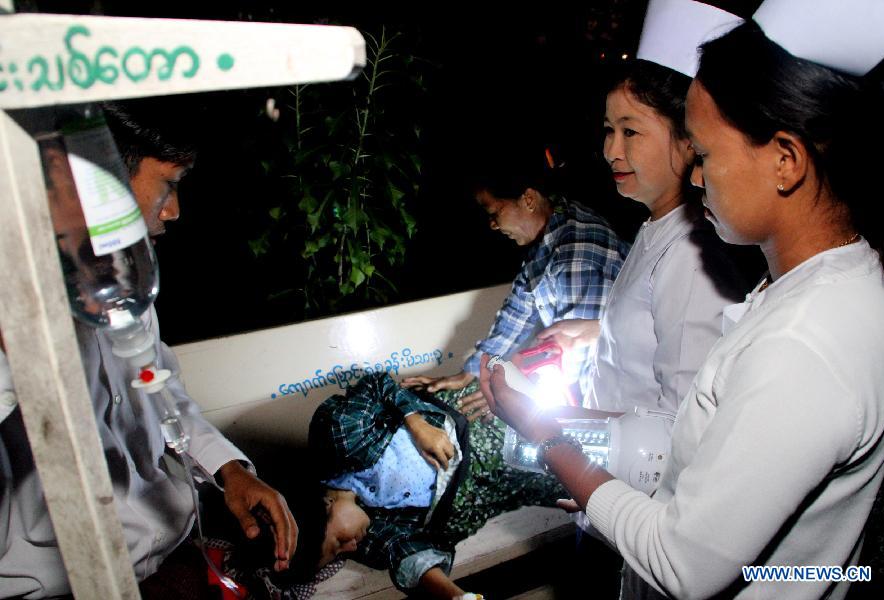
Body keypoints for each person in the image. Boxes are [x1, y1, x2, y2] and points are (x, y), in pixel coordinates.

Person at [479, 4, 884, 599]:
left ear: (785, 159)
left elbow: (686, 565)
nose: (696, 179)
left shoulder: (805, 341)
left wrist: (548, 437)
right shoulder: (831, 288)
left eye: (703, 155)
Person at [0, 98, 298, 599]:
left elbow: (160, 385)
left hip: (167, 556)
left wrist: (228, 472)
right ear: (99, 185)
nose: (175, 210)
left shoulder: (124, 283)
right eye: (168, 185)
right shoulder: (15, 303)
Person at [278, 372, 566, 599]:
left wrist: (415, 424)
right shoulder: (366, 535)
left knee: (574, 433)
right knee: (577, 490)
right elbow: (404, 554)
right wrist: (456, 595)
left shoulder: (339, 438)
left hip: (477, 422)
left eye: (338, 542)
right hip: (491, 489)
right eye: (339, 555)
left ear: (322, 505)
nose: (351, 545)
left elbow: (375, 386)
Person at [402, 147, 628, 420]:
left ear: (529, 199)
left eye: (494, 211)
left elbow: (574, 356)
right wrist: (473, 371)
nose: (493, 225)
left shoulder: (577, 255)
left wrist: (511, 393)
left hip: (619, 393)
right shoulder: (548, 238)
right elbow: (515, 315)